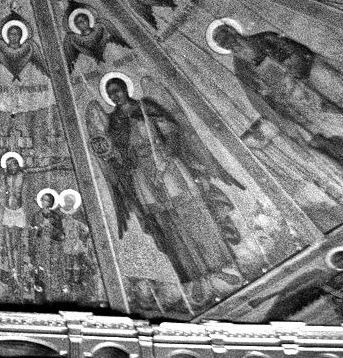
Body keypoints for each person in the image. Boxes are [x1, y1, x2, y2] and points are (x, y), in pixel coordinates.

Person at [212, 24, 343, 195]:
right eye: (225, 43)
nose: (232, 43)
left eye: (229, 36)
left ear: (234, 31)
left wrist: (293, 71)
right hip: (300, 102)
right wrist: (282, 111)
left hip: (314, 81)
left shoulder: (265, 38)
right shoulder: (241, 68)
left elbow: (299, 53)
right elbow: (258, 98)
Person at [87, 77, 243, 296]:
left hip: (167, 165)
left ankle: (222, 267)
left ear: (125, 89)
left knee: (194, 214)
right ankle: (194, 277)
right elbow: (119, 154)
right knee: (167, 224)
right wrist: (112, 155)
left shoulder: (146, 107)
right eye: (110, 93)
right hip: (141, 174)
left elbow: (172, 132)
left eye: (117, 90)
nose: (115, 96)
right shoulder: (113, 122)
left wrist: (165, 158)